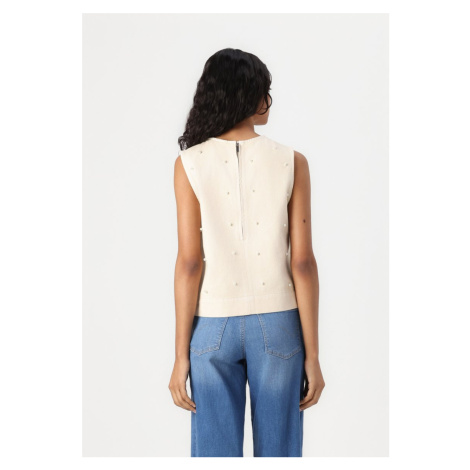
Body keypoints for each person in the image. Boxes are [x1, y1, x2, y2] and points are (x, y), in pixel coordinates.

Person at [169, 48, 324, 457]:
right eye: (264, 90)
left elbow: (189, 263)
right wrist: (313, 355)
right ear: (249, 95)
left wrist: (180, 355)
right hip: (278, 325)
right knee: (280, 455)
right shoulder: (293, 162)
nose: (268, 100)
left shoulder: (189, 164)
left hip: (211, 327)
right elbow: (302, 263)